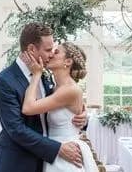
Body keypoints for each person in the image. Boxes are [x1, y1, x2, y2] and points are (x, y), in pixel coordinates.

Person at [0, 23, 88, 172]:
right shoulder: (4, 81)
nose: (51, 54)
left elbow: (60, 108)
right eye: (48, 50)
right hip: (19, 163)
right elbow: (16, 129)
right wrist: (57, 149)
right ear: (31, 49)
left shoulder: (45, 75)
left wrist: (83, 117)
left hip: (48, 162)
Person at [22, 42, 97, 171]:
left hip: (67, 155)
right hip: (56, 152)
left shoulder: (69, 90)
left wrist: (36, 74)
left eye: (56, 52)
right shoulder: (55, 87)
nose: (51, 55)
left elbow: (28, 108)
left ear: (67, 62)